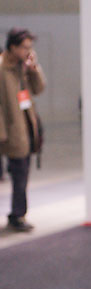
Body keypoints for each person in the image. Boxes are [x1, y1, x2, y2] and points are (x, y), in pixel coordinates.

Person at [0, 28, 46, 231]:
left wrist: (34, 68)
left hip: (25, 127)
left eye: (30, 47)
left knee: (21, 173)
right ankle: (17, 215)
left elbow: (39, 88)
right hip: (9, 130)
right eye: (24, 47)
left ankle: (18, 215)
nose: (28, 51)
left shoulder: (23, 67)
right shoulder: (2, 69)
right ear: (12, 47)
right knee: (19, 173)